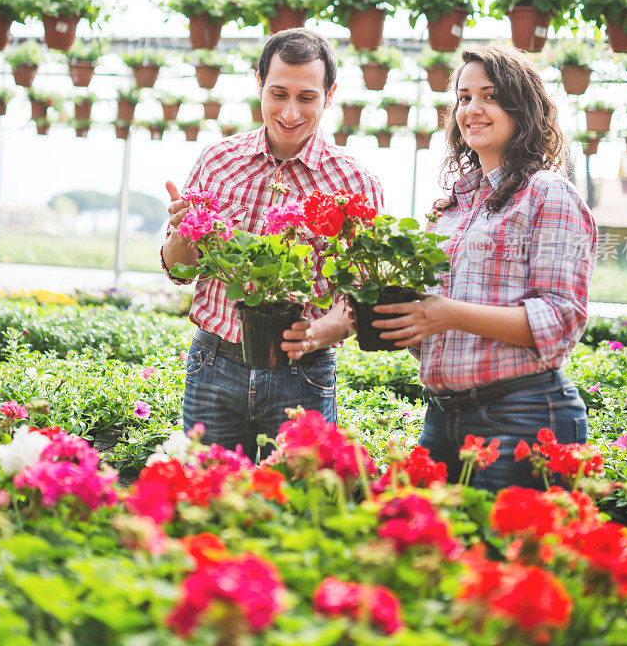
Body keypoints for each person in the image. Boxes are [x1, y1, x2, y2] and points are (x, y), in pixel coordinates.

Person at [372, 44, 597, 492]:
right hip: (442, 417)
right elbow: (433, 317)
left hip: (522, 415)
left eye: (490, 96)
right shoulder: (451, 208)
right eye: (464, 97)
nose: (472, 109)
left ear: (522, 107)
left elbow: (561, 319)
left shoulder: (547, 194)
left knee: (503, 558)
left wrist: (447, 313)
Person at [161, 28, 384, 461]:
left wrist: (321, 332)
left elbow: (361, 293)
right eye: (278, 93)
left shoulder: (355, 183)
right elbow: (179, 270)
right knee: (205, 498)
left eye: (307, 97)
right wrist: (181, 233)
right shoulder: (218, 161)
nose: (289, 112)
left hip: (303, 371)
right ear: (259, 84)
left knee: (297, 506)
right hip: (214, 364)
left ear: (330, 95)